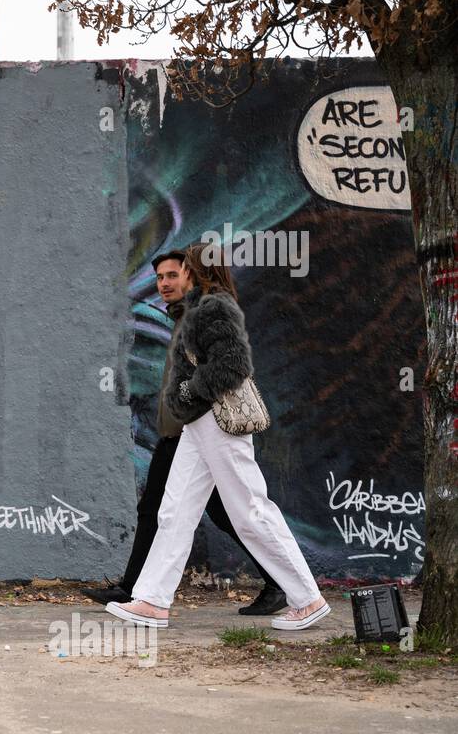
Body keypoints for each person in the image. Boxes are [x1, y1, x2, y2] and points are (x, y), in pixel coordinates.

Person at [104, 242, 330, 631]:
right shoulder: (198, 307)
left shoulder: (215, 307)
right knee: (173, 512)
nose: (176, 277)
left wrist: (190, 390)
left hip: (218, 422)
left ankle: (307, 599)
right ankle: (153, 601)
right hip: (197, 425)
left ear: (194, 271)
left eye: (183, 269)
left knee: (250, 512)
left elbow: (234, 363)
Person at [82, 249, 286, 615]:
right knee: (184, 511)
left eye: (172, 276)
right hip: (180, 432)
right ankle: (138, 590)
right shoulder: (181, 318)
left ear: (190, 276)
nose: (164, 284)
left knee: (198, 512)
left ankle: (138, 591)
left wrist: (189, 398)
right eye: (159, 277)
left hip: (195, 432)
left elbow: (227, 368)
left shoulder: (201, 316)